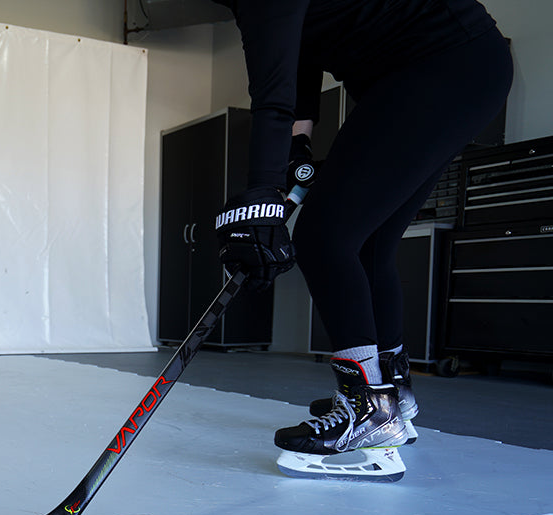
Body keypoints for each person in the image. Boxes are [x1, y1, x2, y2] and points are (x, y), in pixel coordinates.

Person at [211, 0, 513, 481]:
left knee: (325, 237)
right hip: (458, 68)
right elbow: (299, 63)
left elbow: (272, 97)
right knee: (369, 242)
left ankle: (370, 409)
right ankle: (391, 394)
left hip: (439, 65)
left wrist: (261, 198)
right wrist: (297, 149)